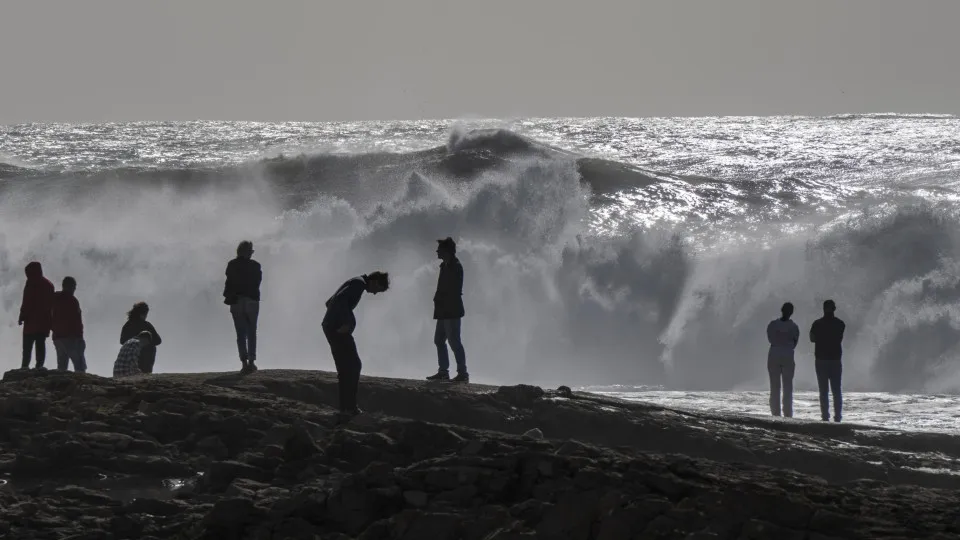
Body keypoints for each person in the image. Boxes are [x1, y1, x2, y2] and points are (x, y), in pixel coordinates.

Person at [321, 272, 390, 419]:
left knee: (345, 367)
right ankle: (349, 407)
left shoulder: (355, 281)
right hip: (338, 328)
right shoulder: (359, 284)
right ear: (375, 280)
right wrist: (348, 323)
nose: (376, 293)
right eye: (379, 288)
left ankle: (346, 407)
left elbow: (329, 302)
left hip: (331, 326)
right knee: (353, 366)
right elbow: (340, 300)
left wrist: (334, 318)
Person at [426, 237, 468, 383]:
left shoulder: (455, 266)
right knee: (439, 340)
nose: (437, 251)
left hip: (451, 310)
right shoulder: (445, 265)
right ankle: (443, 371)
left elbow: (454, 290)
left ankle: (462, 373)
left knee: (454, 341)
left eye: (440, 249)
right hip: (444, 310)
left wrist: (441, 299)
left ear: (447, 251)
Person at [223, 240, 262, 374]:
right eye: (251, 251)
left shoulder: (232, 265)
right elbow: (257, 283)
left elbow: (228, 283)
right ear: (249, 252)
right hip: (251, 300)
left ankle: (244, 362)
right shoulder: (256, 266)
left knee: (240, 333)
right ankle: (252, 361)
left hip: (237, 301)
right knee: (251, 332)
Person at [810, 299, 846, 422]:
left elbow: (812, 338)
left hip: (822, 359)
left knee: (824, 390)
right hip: (834, 359)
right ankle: (837, 418)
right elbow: (839, 337)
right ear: (834, 309)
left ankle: (825, 417)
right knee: (836, 390)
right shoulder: (840, 324)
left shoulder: (817, 323)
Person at [18, 261, 55, 370]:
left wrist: (22, 315)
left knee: (27, 348)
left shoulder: (30, 284)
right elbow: (51, 305)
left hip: (30, 323)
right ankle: (39, 367)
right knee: (40, 346)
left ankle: (24, 367)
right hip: (43, 323)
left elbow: (26, 301)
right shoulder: (49, 285)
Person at [766, 302, 799, 417]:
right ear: (792, 312)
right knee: (787, 386)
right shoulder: (794, 327)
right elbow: (795, 342)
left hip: (774, 352)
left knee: (774, 386)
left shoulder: (773, 325)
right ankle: (788, 414)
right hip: (787, 353)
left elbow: (770, 338)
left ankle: (775, 414)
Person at [51, 276, 86, 373]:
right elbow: (76, 321)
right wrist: (80, 338)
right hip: (72, 338)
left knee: (62, 368)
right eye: (74, 286)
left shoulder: (54, 298)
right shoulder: (72, 301)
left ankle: (60, 387)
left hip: (58, 338)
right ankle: (82, 386)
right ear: (71, 286)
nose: (75, 289)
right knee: (79, 366)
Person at [120, 302, 163, 374]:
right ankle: (146, 373)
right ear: (142, 314)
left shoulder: (127, 325)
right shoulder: (146, 325)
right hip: (145, 358)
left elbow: (122, 341)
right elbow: (158, 340)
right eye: (146, 314)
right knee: (152, 348)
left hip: (129, 359)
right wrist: (146, 342)